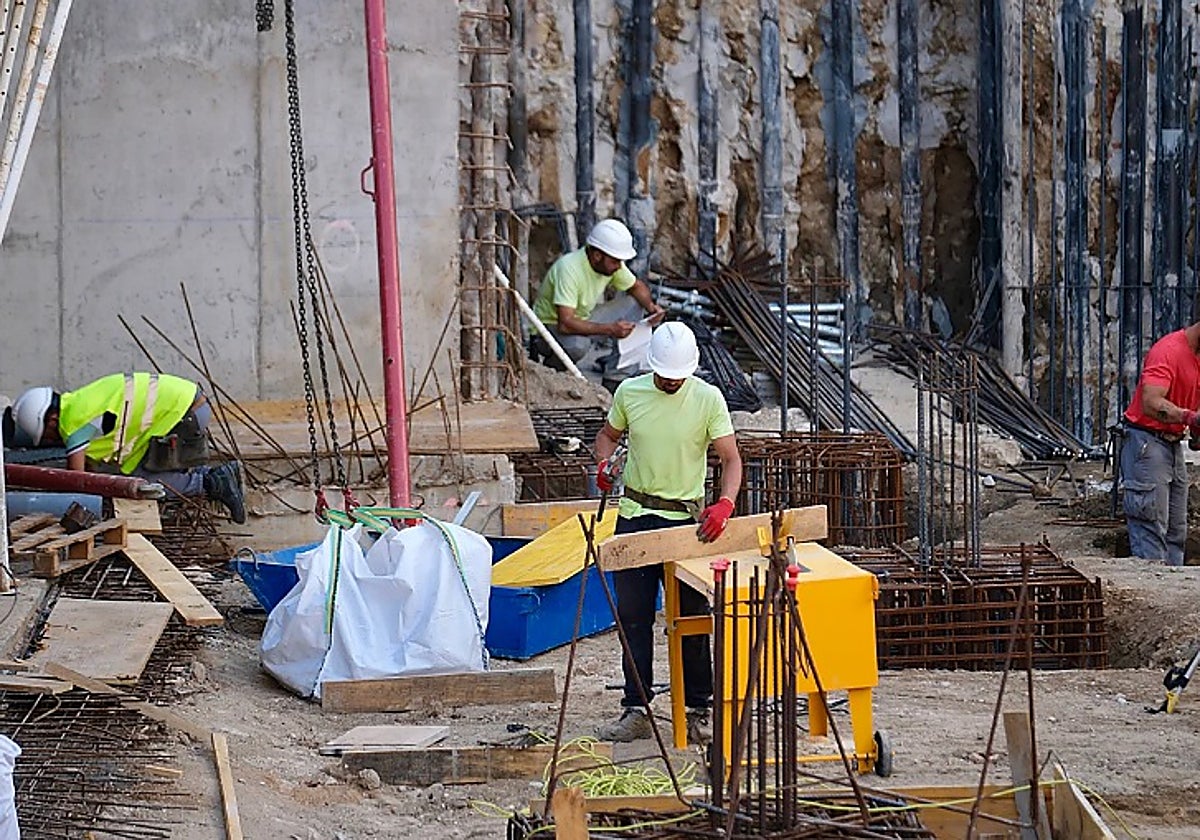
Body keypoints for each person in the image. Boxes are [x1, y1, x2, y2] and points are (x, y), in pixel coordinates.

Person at [592, 322, 742, 743]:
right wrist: (604, 467)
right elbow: (606, 436)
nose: (672, 381)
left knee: (692, 620)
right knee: (634, 619)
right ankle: (637, 708)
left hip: (685, 527)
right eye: (665, 375)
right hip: (636, 518)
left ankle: (699, 708)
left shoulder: (708, 399)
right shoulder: (631, 393)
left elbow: (731, 460)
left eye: (679, 376)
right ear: (652, 366)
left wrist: (725, 505)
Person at [6, 372, 247, 524]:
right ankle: (218, 476)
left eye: (48, 436)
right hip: (189, 405)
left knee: (143, 484)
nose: (52, 441)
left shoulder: (73, 422)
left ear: (51, 420)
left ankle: (213, 483)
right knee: (138, 473)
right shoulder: (78, 403)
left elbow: (76, 481)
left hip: (182, 414)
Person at [529, 218, 664, 370]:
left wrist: (652, 308)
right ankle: (552, 370)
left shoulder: (610, 265)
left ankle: (618, 372)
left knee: (635, 302)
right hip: (548, 328)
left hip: (582, 317)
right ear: (597, 256)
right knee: (578, 345)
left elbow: (637, 287)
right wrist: (610, 329)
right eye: (615, 261)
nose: (619, 266)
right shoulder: (569, 269)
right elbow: (565, 324)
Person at [1119, 320, 1200, 564]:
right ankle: (1150, 588)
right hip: (1147, 443)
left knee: (1176, 531)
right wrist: (1190, 417)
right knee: (1150, 529)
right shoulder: (1168, 351)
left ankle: (1170, 594)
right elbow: (1151, 402)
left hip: (1172, 444)